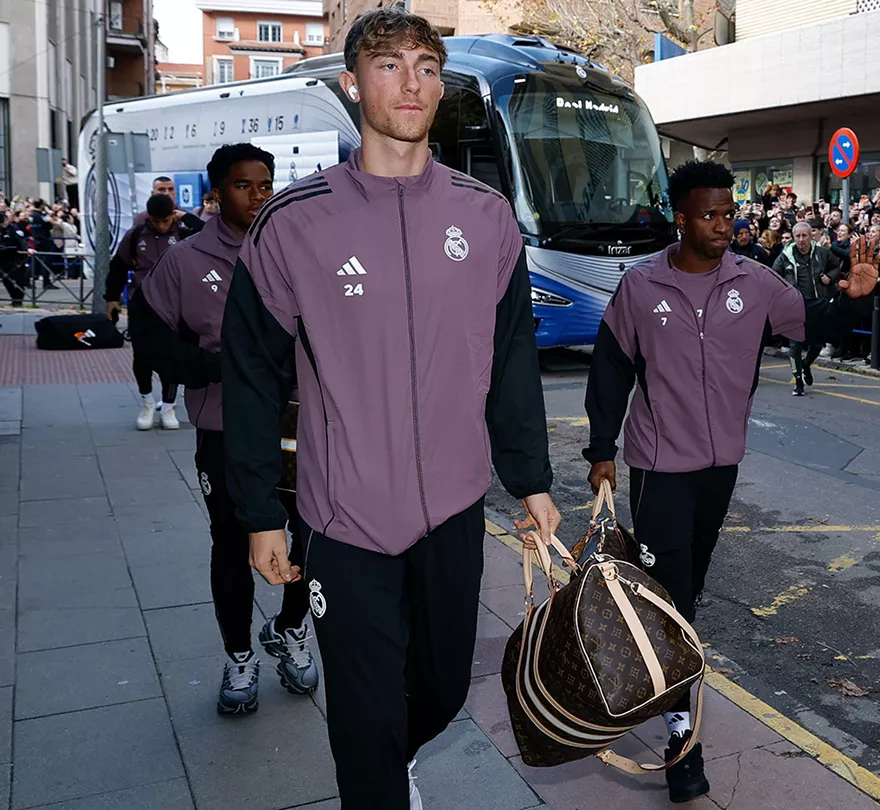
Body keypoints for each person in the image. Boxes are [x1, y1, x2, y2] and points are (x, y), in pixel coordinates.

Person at [220, 9, 561, 807]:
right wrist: (259, 513)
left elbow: (511, 360)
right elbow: (250, 374)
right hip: (346, 524)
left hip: (452, 513)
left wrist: (532, 480)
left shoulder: (486, 219)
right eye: (388, 65)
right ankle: (376, 778)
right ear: (351, 84)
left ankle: (390, 756)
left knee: (441, 692)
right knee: (364, 724)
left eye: (427, 66)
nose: (411, 82)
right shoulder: (293, 223)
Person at [583, 160, 804, 804]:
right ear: (679, 218)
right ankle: (683, 737)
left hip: (720, 468)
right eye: (709, 215)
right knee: (671, 599)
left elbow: (806, 323)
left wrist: (849, 297)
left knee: (689, 593)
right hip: (658, 467)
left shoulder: (755, 283)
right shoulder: (640, 284)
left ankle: (670, 680)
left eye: (729, 214)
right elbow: (611, 368)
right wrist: (602, 450)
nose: (722, 227)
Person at [144, 143, 319, 714]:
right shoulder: (186, 260)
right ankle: (239, 654)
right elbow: (150, 339)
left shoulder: (295, 250)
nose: (258, 195)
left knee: (310, 532)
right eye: (244, 185)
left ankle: (293, 630)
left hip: (297, 425)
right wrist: (220, 368)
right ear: (217, 193)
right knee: (231, 542)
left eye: (265, 184)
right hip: (222, 428)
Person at [107, 192, 202, 430]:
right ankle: (147, 402)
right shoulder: (136, 235)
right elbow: (118, 267)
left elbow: (208, 233)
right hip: (142, 306)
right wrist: (111, 299)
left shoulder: (183, 232)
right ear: (148, 217)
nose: (161, 225)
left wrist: (187, 217)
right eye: (156, 220)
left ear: (173, 215)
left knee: (171, 357)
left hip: (175, 306)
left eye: (166, 220)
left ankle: (168, 407)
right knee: (142, 356)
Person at [772, 220, 842, 395]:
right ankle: (798, 381)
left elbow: (836, 267)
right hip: (795, 305)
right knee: (795, 344)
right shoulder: (785, 255)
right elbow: (774, 275)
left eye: (805, 235)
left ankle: (806, 365)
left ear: (811, 236)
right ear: (793, 237)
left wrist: (829, 277)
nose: (801, 239)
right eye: (798, 236)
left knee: (817, 342)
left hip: (818, 304)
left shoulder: (823, 253)